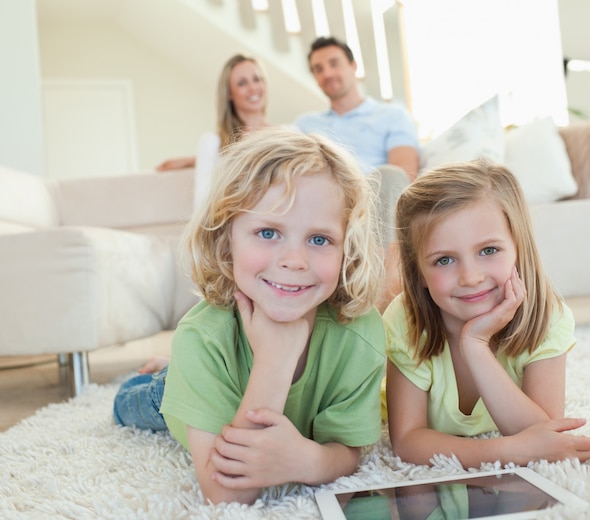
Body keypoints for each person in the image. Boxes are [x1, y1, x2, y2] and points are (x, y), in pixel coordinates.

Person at [113, 127, 387, 505]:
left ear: (348, 249)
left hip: (214, 369)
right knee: (129, 402)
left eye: (319, 239)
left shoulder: (359, 333)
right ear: (226, 241)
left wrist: (311, 461)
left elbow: (349, 448)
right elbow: (227, 493)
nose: (294, 260)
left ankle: (178, 370)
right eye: (268, 232)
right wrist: (275, 360)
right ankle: (170, 374)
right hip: (172, 390)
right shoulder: (203, 337)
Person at [384, 159, 590, 469]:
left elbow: (545, 434)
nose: (470, 277)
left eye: (488, 251)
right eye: (444, 260)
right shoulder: (406, 321)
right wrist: (508, 451)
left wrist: (475, 345)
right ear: (418, 271)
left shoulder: (547, 316)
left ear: (518, 246)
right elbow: (407, 440)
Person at [296, 36, 420, 311]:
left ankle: (388, 285)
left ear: (353, 66)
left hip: (374, 198)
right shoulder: (306, 125)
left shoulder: (391, 115)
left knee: (390, 174)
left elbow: (404, 171)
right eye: (318, 69)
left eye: (333, 64)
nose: (327, 73)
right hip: (324, 200)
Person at [156, 54, 271, 208]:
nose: (252, 88)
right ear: (229, 93)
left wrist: (192, 160)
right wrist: (203, 157)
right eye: (242, 83)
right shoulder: (212, 143)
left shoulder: (288, 134)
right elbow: (202, 205)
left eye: (257, 79)